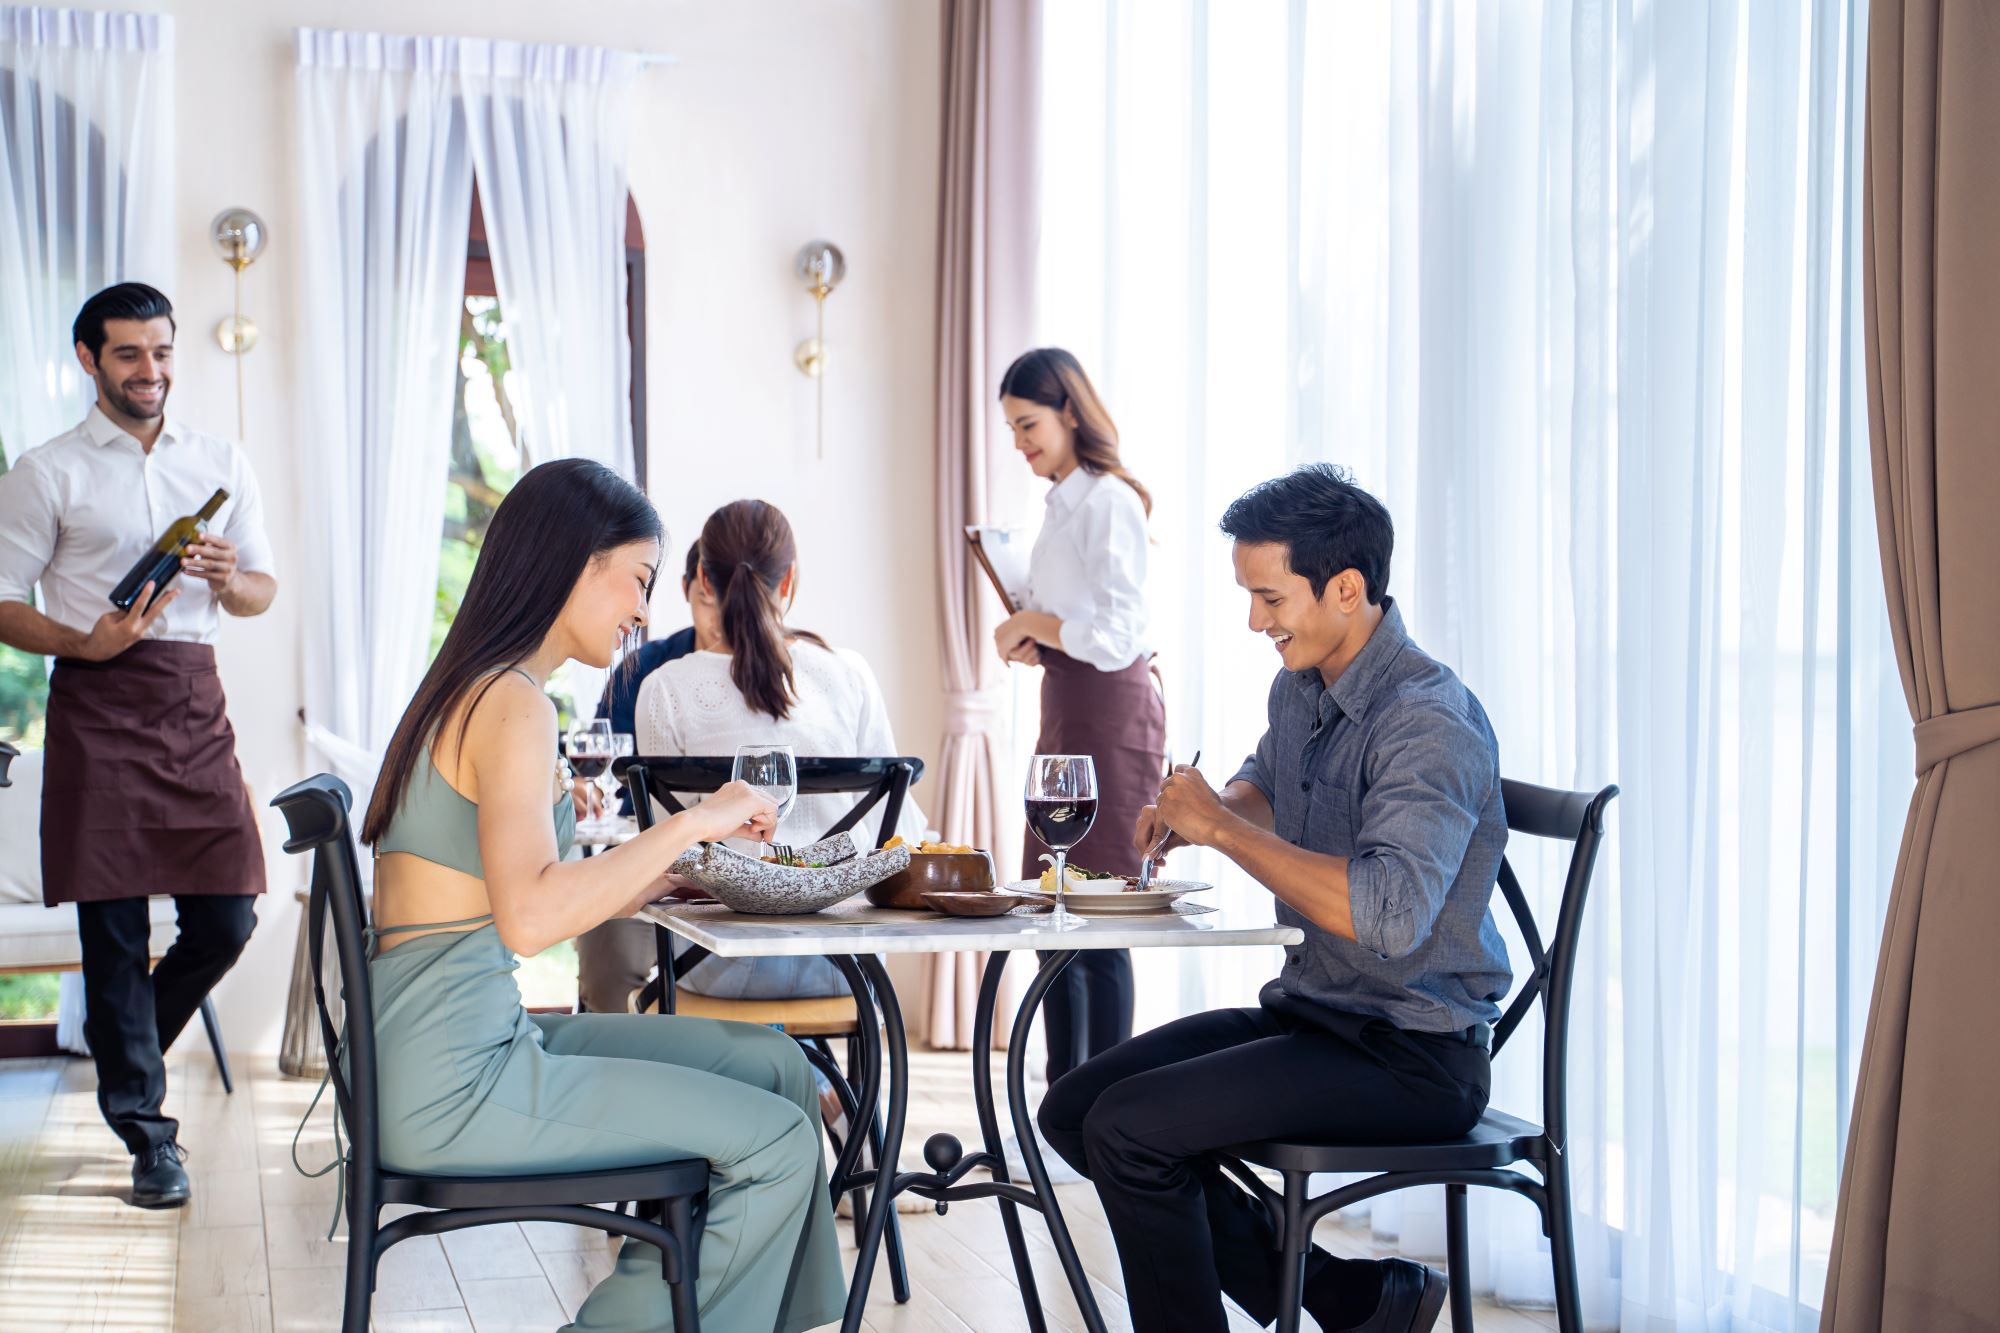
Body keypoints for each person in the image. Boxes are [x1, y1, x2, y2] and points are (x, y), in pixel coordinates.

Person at [360, 459, 844, 1333]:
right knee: (774, 1141)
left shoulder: (485, 684)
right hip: (457, 1079)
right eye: (641, 578)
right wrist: (696, 825)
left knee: (778, 1065)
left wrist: (662, 877)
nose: (642, 611)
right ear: (580, 561)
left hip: (446, 1045)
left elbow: (508, 897)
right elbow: (533, 916)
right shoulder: (511, 703)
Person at [1037, 465, 1510, 1333]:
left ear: (1346, 588)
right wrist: (1209, 811)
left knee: (1135, 1132)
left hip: (1413, 1053)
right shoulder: (1303, 685)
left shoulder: (1426, 719)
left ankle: (1343, 1301)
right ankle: (1354, 1298)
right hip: (1319, 1012)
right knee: (1074, 1109)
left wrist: (1224, 832)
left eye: (1268, 597)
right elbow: (1264, 781)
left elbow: (1390, 912)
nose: (1255, 620)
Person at [0, 283, 278, 1210]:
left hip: (193, 699)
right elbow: (3, 600)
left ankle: (125, 1060)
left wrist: (232, 578)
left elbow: (260, 593)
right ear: (89, 359)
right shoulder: (47, 471)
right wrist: (83, 642)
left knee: (229, 917)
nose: (150, 371)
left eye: (161, 352)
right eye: (129, 354)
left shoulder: (218, 458)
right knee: (113, 933)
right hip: (97, 699)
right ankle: (150, 1139)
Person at [635, 498, 927, 1003]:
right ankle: (815, 1075)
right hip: (848, 964)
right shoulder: (849, 674)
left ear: (703, 581)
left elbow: (666, 853)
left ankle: (781, 1074)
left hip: (716, 961)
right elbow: (904, 831)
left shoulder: (664, 688)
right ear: (789, 581)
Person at [993, 348, 1166, 1087]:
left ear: (1070, 411)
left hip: (1112, 715)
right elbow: (1084, 624)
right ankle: (1066, 1099)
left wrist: (1036, 617)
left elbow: (1119, 633)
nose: (1021, 442)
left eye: (1029, 423)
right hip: (1069, 703)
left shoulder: (1108, 501)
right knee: (1056, 912)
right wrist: (1041, 640)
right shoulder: (1064, 501)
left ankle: (1096, 1107)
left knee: (1097, 920)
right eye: (1011, 429)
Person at [571, 540, 716, 1014]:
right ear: (689, 590)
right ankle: (608, 1057)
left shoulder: (794, 686)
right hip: (646, 865)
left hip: (742, 885)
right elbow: (594, 751)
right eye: (707, 595)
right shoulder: (646, 668)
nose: (721, 614)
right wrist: (577, 785)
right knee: (605, 940)